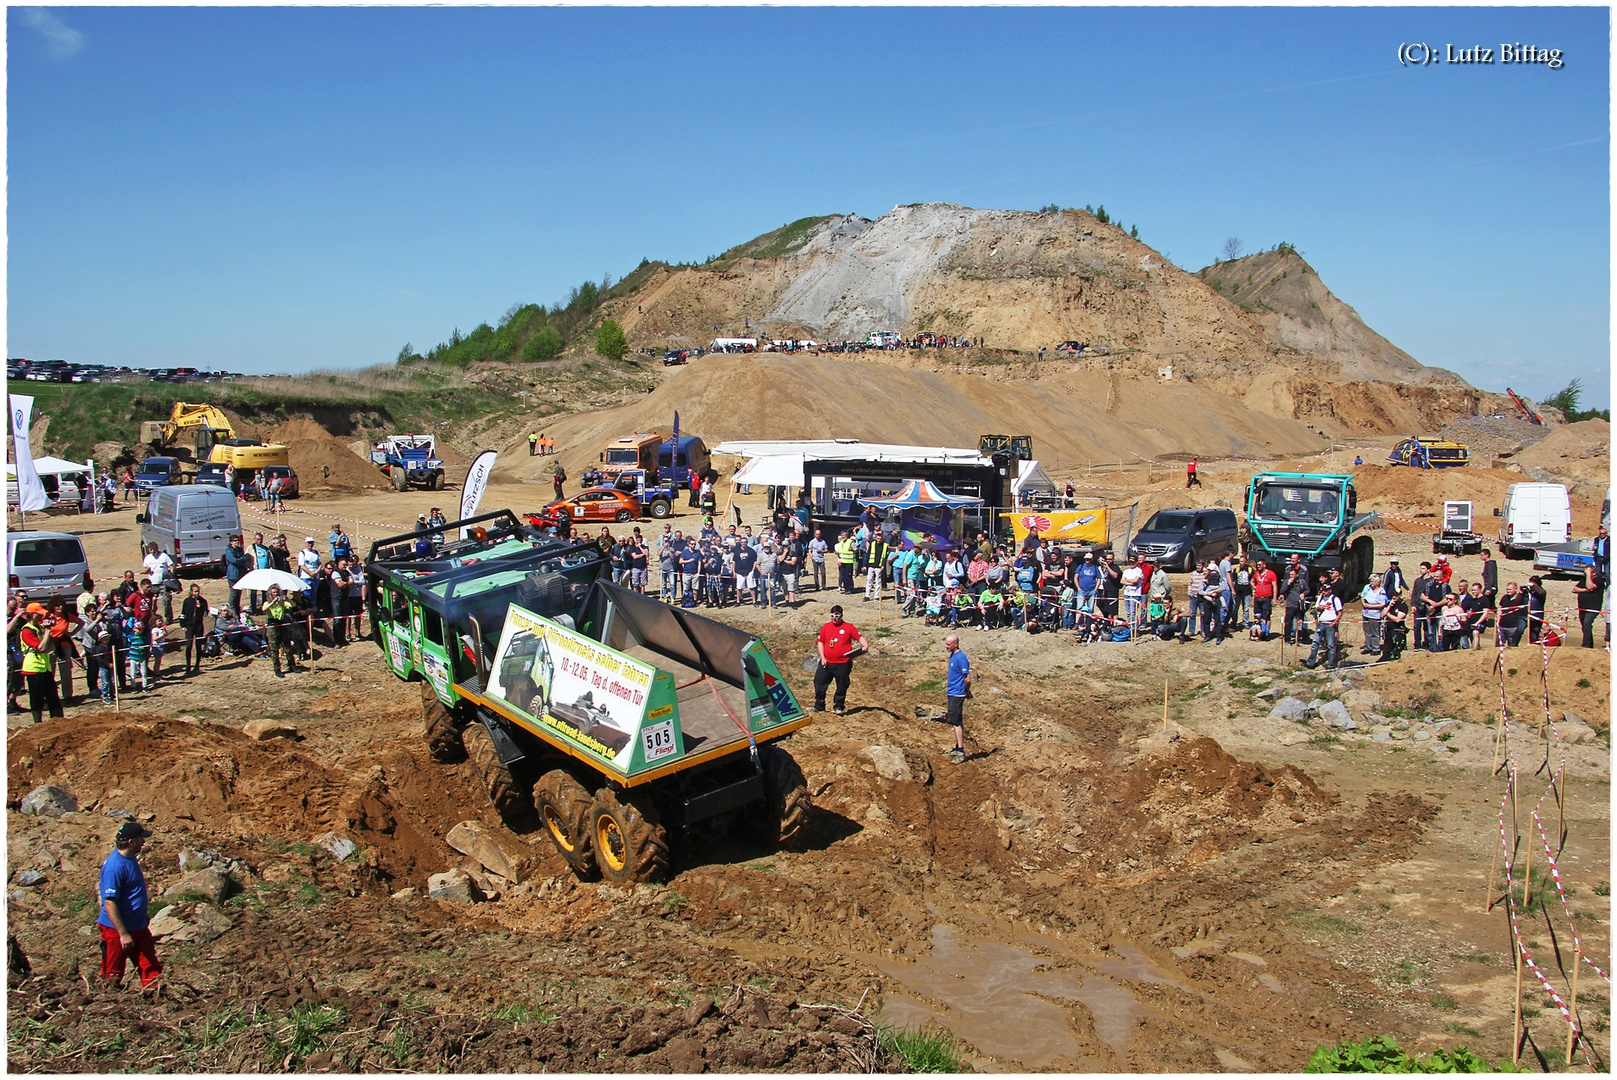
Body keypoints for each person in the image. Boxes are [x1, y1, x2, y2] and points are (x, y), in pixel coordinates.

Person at [97, 822, 162, 989]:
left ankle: (155, 992)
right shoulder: (114, 867)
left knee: (150, 964)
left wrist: (141, 914)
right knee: (113, 971)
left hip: (137, 926)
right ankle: (108, 1000)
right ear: (131, 842)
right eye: (141, 838)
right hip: (117, 929)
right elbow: (110, 902)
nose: (144, 842)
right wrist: (123, 933)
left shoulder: (130, 858)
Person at [813, 605, 867, 715]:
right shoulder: (826, 627)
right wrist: (822, 657)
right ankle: (819, 705)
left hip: (843, 663)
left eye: (836, 616)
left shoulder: (849, 627)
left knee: (842, 685)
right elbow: (820, 642)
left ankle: (838, 706)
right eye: (832, 616)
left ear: (841, 616)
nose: (834, 618)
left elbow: (859, 637)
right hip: (827, 662)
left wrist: (865, 645)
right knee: (819, 683)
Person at [18, 604, 63, 724]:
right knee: (37, 698)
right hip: (33, 668)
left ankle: (59, 721)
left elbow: (51, 646)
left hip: (45, 667)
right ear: (32, 615)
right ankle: (38, 724)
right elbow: (41, 647)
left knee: (53, 696)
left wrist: (47, 634)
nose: (42, 616)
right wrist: (47, 632)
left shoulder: (40, 628)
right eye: (39, 614)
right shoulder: (27, 631)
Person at [1302, 583, 1342, 669]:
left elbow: (1340, 612)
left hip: (1330, 623)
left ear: (1330, 591)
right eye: (1322, 590)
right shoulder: (1320, 598)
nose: (1323, 592)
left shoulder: (1335, 599)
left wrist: (1334, 622)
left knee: (1331, 645)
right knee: (1315, 643)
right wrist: (1320, 607)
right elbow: (1316, 608)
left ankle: (1331, 664)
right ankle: (1310, 663)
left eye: (1325, 590)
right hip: (1321, 623)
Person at [263, 585, 299, 677]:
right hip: (272, 626)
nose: (275, 594)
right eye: (274, 592)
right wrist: (272, 603)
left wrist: (287, 599)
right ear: (270, 594)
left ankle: (292, 665)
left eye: (277, 592)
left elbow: (293, 605)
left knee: (287, 646)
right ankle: (277, 669)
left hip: (282, 624)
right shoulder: (267, 602)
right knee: (274, 649)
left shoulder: (282, 603)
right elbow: (264, 609)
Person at [179, 584, 210, 674]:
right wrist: (183, 625)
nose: (197, 593)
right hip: (189, 625)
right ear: (191, 592)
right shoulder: (187, 601)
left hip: (198, 625)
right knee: (188, 645)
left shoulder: (203, 601)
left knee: (198, 645)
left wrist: (200, 608)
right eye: (195, 591)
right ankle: (188, 665)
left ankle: (197, 665)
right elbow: (183, 613)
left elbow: (205, 614)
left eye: (198, 591)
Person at [1572, 565, 1604, 649]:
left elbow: (1590, 586)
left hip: (1593, 608)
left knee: (1587, 622)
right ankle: (1590, 645)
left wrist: (1589, 575)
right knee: (1585, 626)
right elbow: (1574, 589)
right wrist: (1585, 590)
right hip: (1582, 607)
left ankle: (1585, 645)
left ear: (1594, 572)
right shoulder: (1584, 580)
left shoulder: (1599, 580)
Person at [1359, 573, 1387, 655]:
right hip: (1366, 614)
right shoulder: (1368, 589)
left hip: (1375, 615)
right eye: (1371, 581)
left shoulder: (1381, 592)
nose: (1371, 583)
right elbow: (1363, 597)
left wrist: (1370, 606)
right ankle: (1368, 646)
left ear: (1378, 583)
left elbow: (1382, 604)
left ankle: (1376, 648)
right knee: (1367, 631)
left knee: (1375, 632)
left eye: (1373, 581)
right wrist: (1364, 604)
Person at [1379, 588, 1409, 662]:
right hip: (1388, 629)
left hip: (1397, 631)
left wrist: (1388, 614)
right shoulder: (1390, 603)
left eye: (1396, 595)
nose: (1394, 597)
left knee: (1395, 651)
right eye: (1393, 595)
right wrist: (1389, 606)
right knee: (1386, 649)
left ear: (1400, 596)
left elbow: (1398, 619)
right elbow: (1382, 614)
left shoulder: (1403, 606)